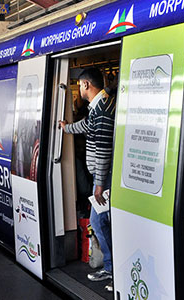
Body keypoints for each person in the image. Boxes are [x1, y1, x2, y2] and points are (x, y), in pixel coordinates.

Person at [58, 68, 116, 292]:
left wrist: (100, 183)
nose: (79, 89)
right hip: (103, 177)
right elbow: (87, 127)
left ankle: (112, 269)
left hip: (104, 178)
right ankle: (111, 267)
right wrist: (67, 128)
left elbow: (102, 149)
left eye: (80, 85)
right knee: (103, 222)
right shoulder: (101, 106)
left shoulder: (101, 111)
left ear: (86, 85)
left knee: (99, 222)